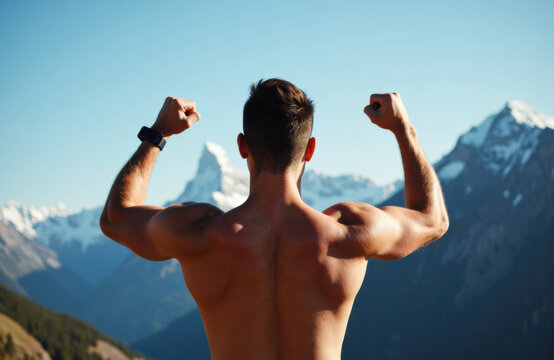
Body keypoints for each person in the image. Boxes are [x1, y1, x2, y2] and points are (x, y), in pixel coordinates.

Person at [100, 78, 449, 359]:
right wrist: (404, 129)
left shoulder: (199, 232)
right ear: (310, 150)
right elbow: (432, 219)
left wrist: (158, 133)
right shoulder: (351, 233)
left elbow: (116, 218)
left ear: (242, 146)